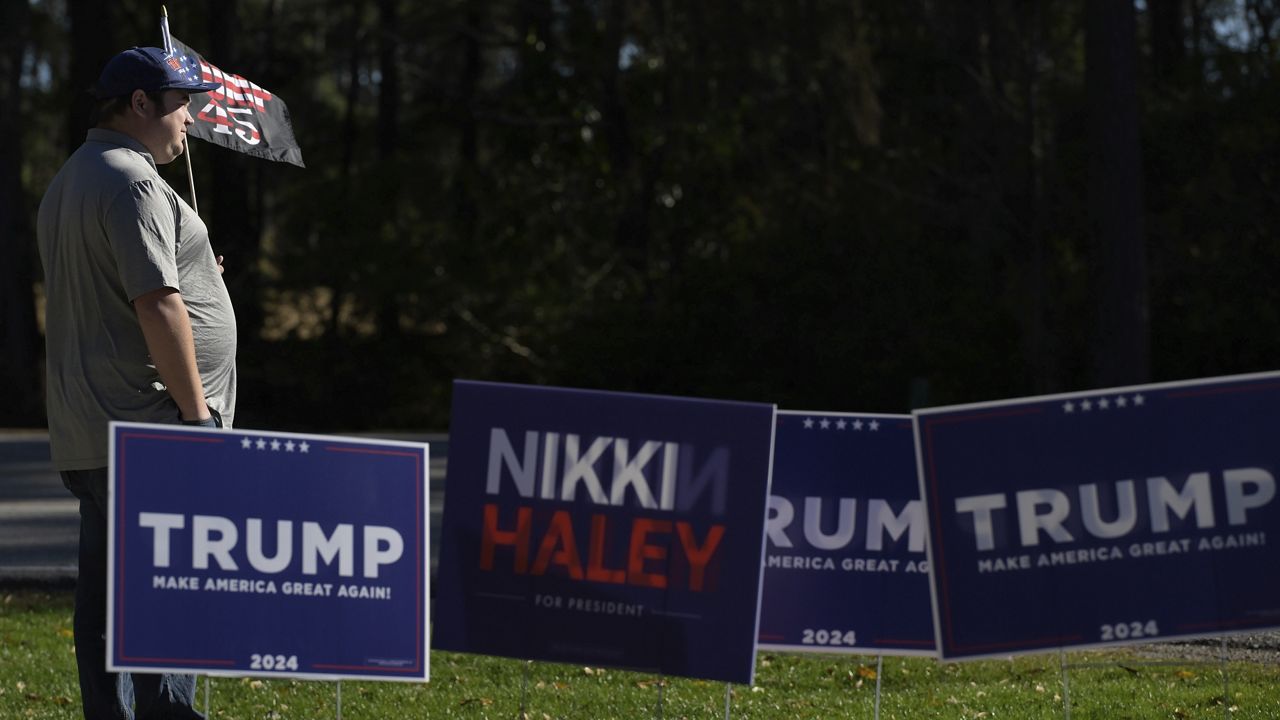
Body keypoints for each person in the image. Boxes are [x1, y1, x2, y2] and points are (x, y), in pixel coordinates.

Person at [36, 46, 236, 720]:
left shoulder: (72, 178)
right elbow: (155, 303)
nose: (191, 119)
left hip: (95, 427)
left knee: (106, 599)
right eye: (181, 104)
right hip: (150, 425)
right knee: (166, 592)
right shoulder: (135, 182)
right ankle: (166, 714)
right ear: (141, 104)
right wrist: (197, 418)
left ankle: (112, 713)